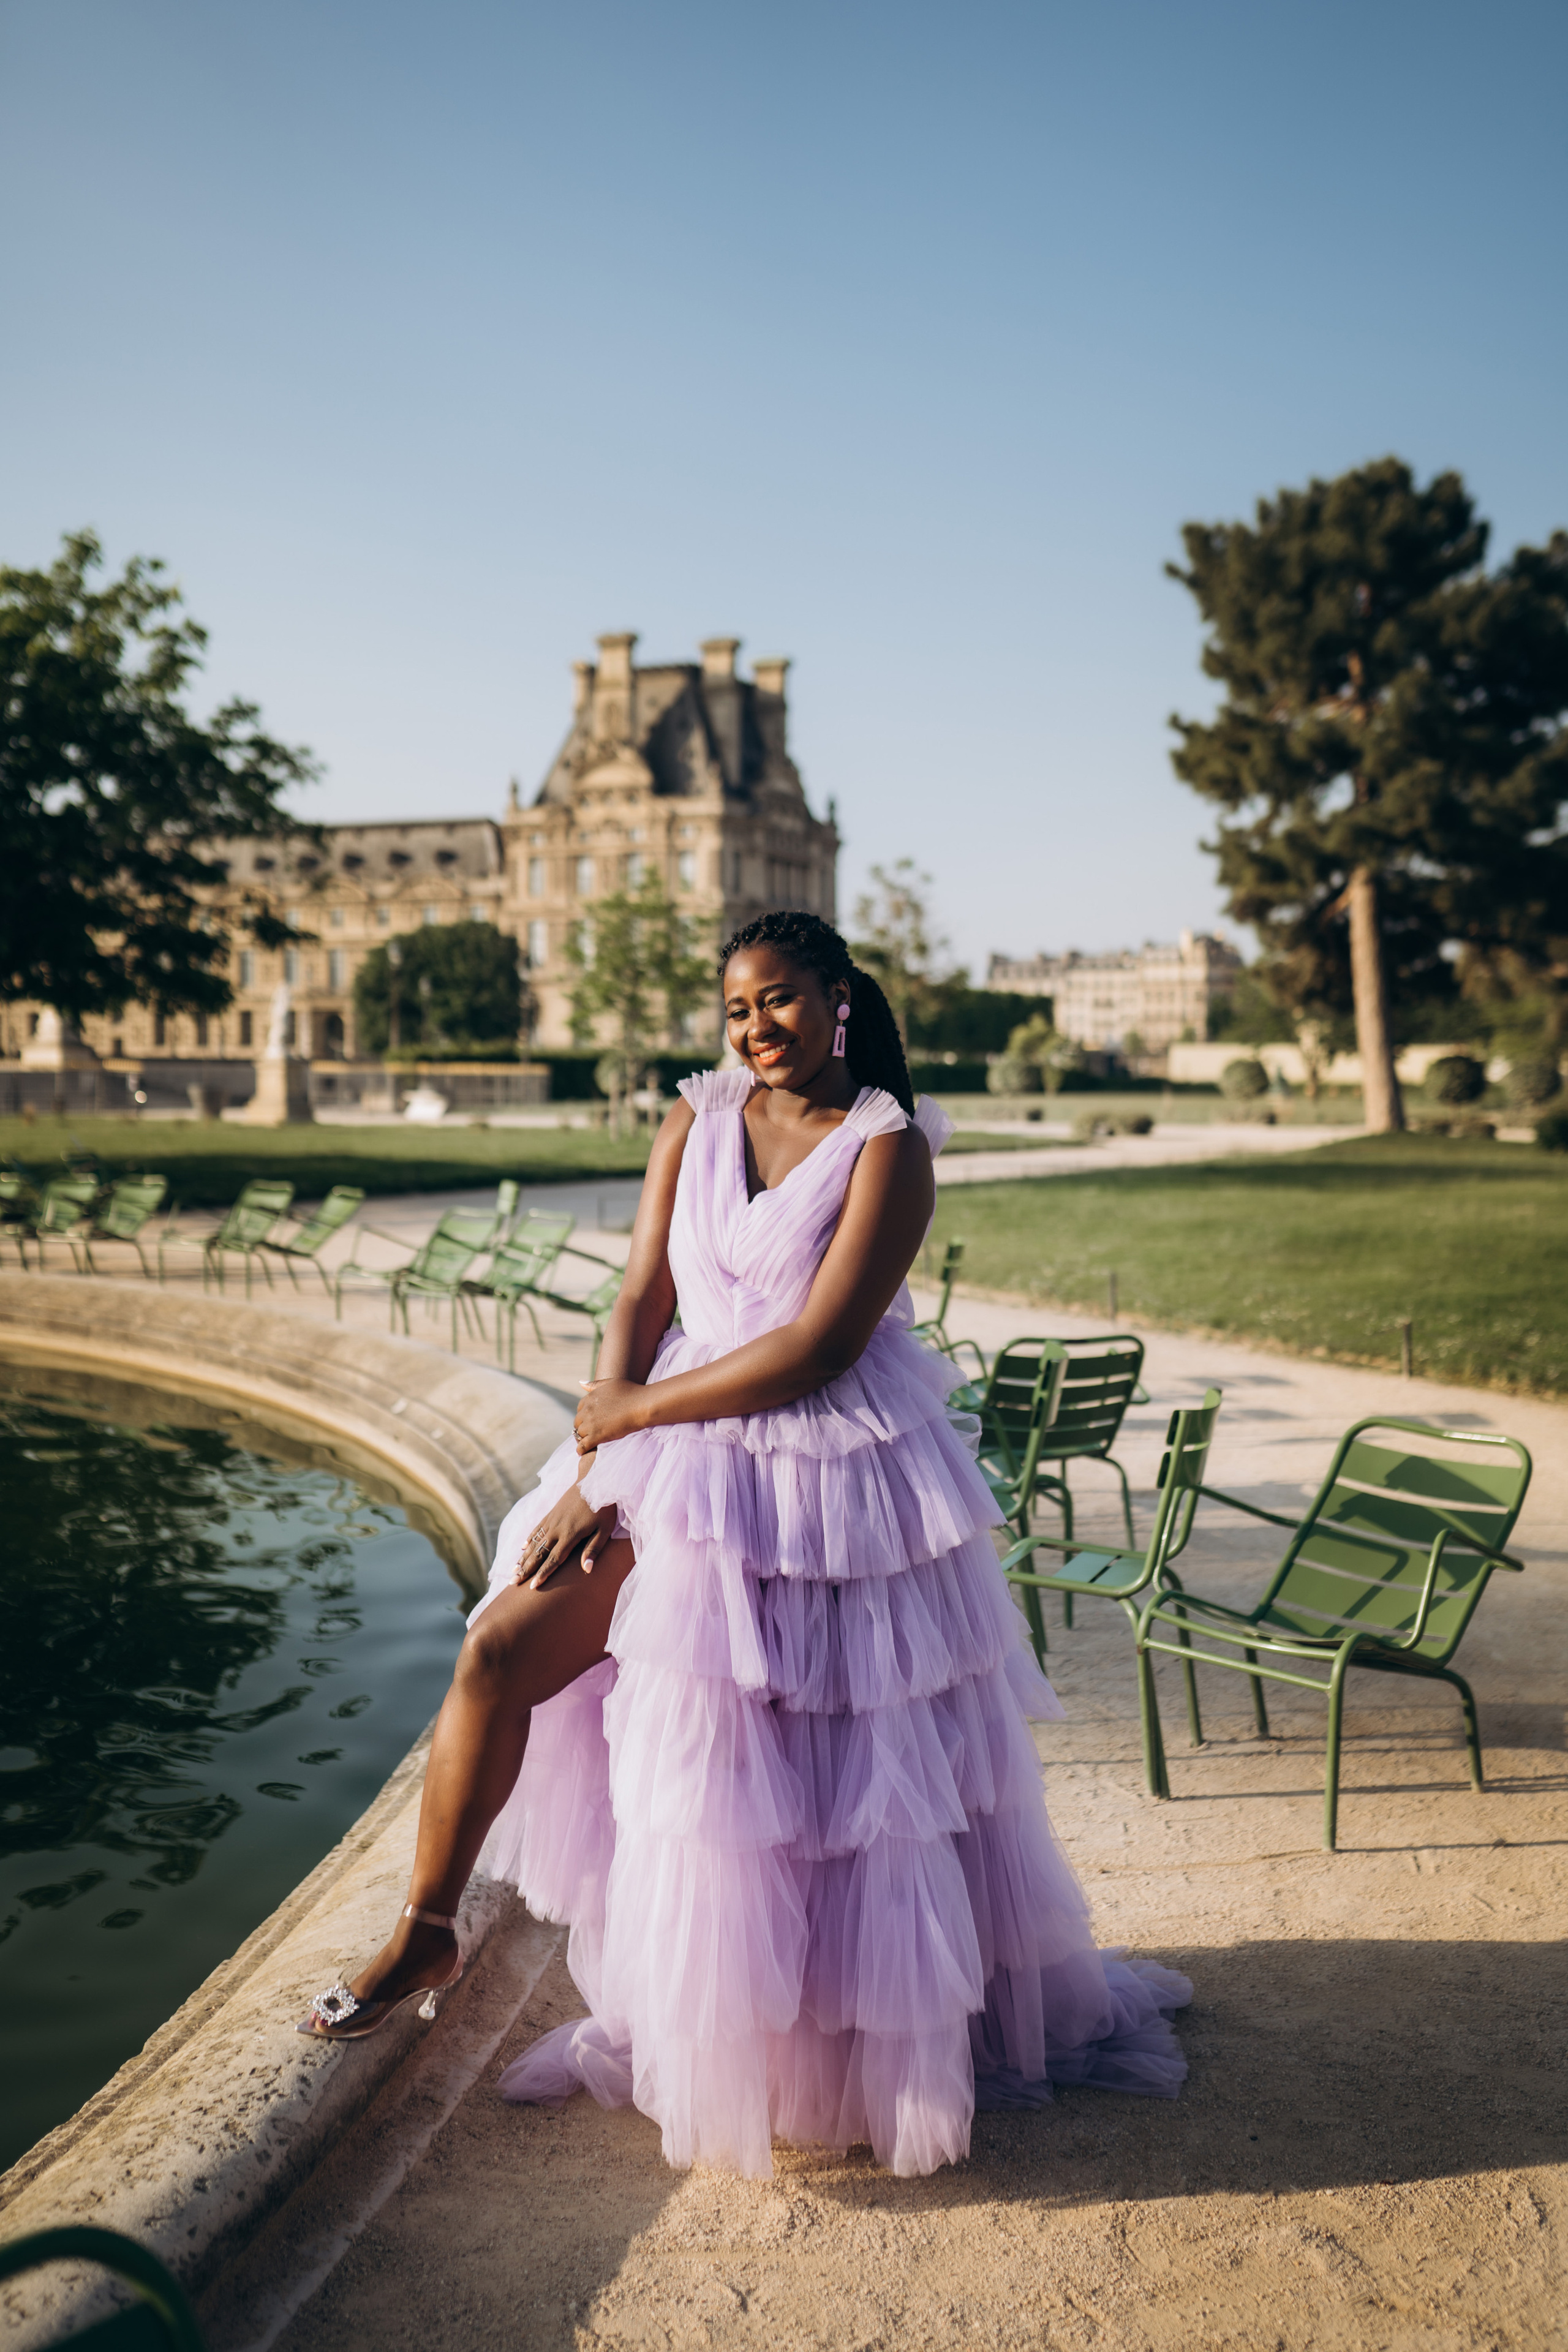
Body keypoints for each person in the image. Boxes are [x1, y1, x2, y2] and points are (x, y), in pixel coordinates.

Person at [300, 910, 1190, 2177]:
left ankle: (821, 2048)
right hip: (664, 1458)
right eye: (735, 1007)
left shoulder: (889, 1145)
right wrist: (598, 1466)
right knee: (498, 1647)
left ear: (836, 999)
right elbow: (638, 1299)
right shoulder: (696, 1117)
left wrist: (632, 1411)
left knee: (815, 1784)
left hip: (826, 1472)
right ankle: (426, 1926)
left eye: (776, 999)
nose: (753, 1026)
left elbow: (820, 1347)